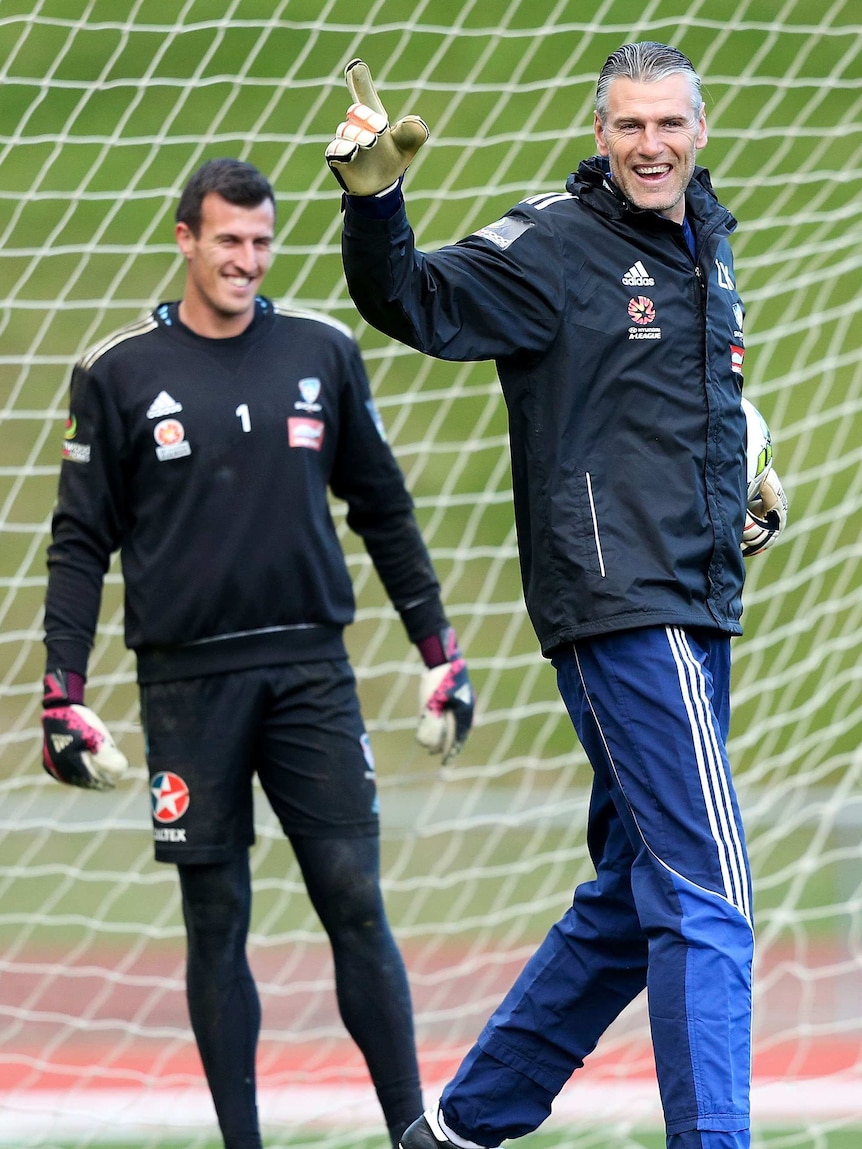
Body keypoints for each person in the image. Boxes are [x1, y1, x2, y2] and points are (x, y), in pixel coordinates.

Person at [325, 41, 788, 1149]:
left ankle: (463, 1128)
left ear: (699, 131)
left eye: (668, 124)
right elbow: (413, 299)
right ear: (598, 134)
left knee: (638, 900)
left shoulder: (706, 252)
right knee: (710, 894)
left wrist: (748, 495)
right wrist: (377, 199)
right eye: (627, 125)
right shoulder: (552, 244)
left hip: (695, 601)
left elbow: (685, 418)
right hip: (623, 607)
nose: (649, 144)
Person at [40, 157, 475, 1149]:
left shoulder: (320, 350)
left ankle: (411, 1129)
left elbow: (386, 512)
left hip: (309, 671)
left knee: (354, 899)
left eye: (262, 241)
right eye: (228, 240)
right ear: (185, 238)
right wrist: (61, 693)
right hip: (186, 685)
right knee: (216, 916)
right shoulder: (116, 373)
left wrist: (439, 651)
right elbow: (78, 546)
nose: (247, 259)